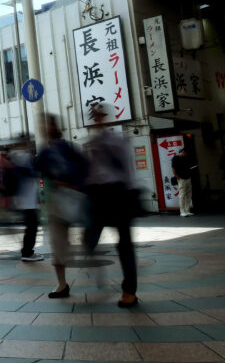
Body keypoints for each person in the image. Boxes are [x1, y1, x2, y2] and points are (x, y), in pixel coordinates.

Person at [84, 105, 140, 308]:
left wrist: (129, 192)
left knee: (124, 244)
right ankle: (103, 276)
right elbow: (92, 173)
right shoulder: (93, 143)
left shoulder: (117, 140)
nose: (97, 119)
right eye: (94, 116)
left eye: (100, 115)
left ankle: (129, 291)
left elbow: (127, 170)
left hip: (118, 194)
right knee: (89, 238)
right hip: (99, 195)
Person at [36, 114, 87, 299]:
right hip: (55, 203)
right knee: (57, 243)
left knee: (87, 237)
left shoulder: (68, 148)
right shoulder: (44, 153)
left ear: (55, 127)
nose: (44, 128)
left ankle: (86, 256)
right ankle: (62, 283)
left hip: (74, 199)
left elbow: (84, 169)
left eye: (47, 124)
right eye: (42, 125)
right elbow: (36, 170)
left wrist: (75, 185)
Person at [8, 149, 43, 262]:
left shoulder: (18, 158)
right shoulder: (22, 157)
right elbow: (32, 172)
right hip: (27, 202)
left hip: (26, 201)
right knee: (32, 228)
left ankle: (27, 251)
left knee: (31, 227)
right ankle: (27, 252)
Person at [171, 148, 195, 217]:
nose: (186, 154)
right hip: (181, 178)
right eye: (185, 153)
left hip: (188, 177)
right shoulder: (175, 158)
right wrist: (177, 177)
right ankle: (182, 211)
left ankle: (187, 211)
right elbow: (173, 168)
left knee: (188, 194)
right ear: (182, 152)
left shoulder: (186, 159)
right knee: (182, 195)